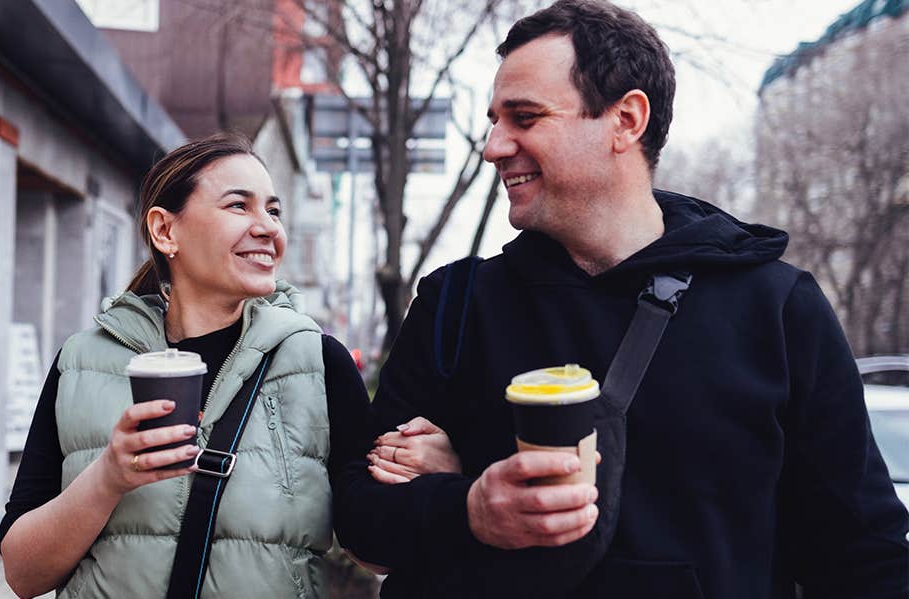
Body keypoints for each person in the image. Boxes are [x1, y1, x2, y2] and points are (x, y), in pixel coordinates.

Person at [334, 1, 909, 597]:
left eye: (524, 118)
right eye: (494, 121)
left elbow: (864, 556)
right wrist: (468, 509)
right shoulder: (454, 303)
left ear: (626, 120)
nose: (493, 146)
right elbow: (358, 515)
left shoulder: (779, 309)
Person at [0, 134, 417, 598]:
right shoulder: (82, 361)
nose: (267, 228)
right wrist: (107, 478)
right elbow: (22, 574)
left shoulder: (318, 361)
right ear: (165, 231)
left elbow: (375, 552)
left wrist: (422, 477)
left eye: (273, 211)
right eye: (239, 206)